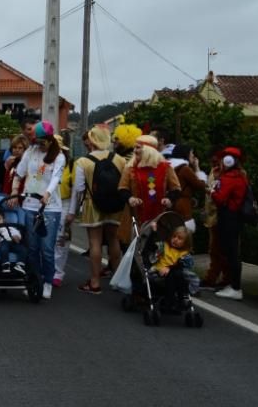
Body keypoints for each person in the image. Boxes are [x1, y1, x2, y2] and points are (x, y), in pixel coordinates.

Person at [67, 125, 126, 294]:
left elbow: (78, 189)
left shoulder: (83, 162)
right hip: (115, 205)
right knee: (114, 240)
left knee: (95, 243)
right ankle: (117, 278)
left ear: (92, 140)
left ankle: (94, 282)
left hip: (93, 206)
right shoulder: (120, 159)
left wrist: (73, 212)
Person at [10, 120, 66, 300]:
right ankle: (35, 280)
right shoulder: (30, 152)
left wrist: (48, 194)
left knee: (47, 248)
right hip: (29, 205)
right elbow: (19, 173)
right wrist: (14, 192)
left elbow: (56, 177)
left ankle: (48, 281)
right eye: (37, 141)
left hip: (50, 207)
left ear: (50, 140)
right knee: (32, 247)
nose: (39, 145)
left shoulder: (59, 157)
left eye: (43, 141)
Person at [117, 135, 181, 245]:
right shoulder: (130, 167)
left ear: (148, 150)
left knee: (158, 252)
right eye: (135, 147)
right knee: (136, 253)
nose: (134, 151)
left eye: (138, 147)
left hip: (160, 219)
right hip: (135, 219)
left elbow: (176, 189)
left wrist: (169, 199)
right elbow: (122, 188)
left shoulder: (166, 167)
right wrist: (130, 198)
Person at [210, 146, 249, 301]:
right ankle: (233, 285)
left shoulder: (230, 178)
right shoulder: (240, 176)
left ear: (228, 161)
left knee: (231, 252)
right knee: (231, 251)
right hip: (234, 217)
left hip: (229, 217)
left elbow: (220, 199)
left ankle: (235, 287)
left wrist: (212, 192)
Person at [201, 153, 228, 289]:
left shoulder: (227, 173)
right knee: (214, 249)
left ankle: (222, 279)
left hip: (221, 217)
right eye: (212, 162)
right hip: (212, 215)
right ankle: (212, 278)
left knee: (221, 250)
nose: (214, 165)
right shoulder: (213, 171)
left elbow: (221, 194)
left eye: (216, 162)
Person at [151, 224, 193, 311]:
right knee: (173, 274)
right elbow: (155, 242)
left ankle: (182, 298)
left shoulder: (184, 253)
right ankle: (170, 299)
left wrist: (170, 267)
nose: (175, 239)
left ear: (186, 242)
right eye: (174, 236)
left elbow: (183, 264)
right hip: (161, 270)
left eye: (180, 238)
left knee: (179, 273)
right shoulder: (164, 246)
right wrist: (154, 231)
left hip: (175, 272)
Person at [168, 144, 208, 233]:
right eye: (191, 153)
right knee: (185, 233)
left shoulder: (170, 168)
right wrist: (197, 168)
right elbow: (200, 185)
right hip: (183, 205)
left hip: (172, 203)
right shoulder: (185, 169)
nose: (193, 156)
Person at [53, 137, 75, 287]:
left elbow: (76, 191)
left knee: (61, 239)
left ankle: (58, 272)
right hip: (48, 203)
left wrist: (72, 211)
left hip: (65, 203)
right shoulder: (44, 163)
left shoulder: (72, 165)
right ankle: (46, 269)